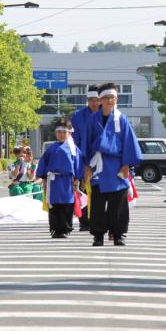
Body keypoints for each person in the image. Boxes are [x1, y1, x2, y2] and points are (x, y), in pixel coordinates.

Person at [84, 83, 143, 246]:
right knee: (97, 204)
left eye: (113, 98)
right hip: (98, 166)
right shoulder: (92, 120)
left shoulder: (121, 119)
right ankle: (98, 235)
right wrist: (87, 165)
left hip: (117, 165)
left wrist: (126, 164)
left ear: (117, 99)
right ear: (100, 100)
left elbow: (129, 142)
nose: (110, 101)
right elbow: (86, 143)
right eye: (107, 98)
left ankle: (118, 234)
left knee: (118, 203)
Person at [36, 119, 83, 238]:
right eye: (59, 132)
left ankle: (65, 228)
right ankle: (55, 229)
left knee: (67, 205)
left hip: (67, 181)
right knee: (54, 205)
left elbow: (78, 164)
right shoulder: (51, 149)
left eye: (64, 132)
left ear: (69, 133)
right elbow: (44, 163)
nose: (61, 135)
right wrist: (44, 179)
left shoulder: (73, 149)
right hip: (53, 181)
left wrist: (77, 179)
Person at [71, 84, 100, 231]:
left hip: (102, 158)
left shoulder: (108, 115)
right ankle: (84, 221)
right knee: (83, 188)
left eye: (97, 100)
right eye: (91, 100)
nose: (94, 103)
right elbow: (74, 140)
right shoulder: (78, 116)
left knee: (99, 191)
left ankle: (98, 220)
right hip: (83, 157)